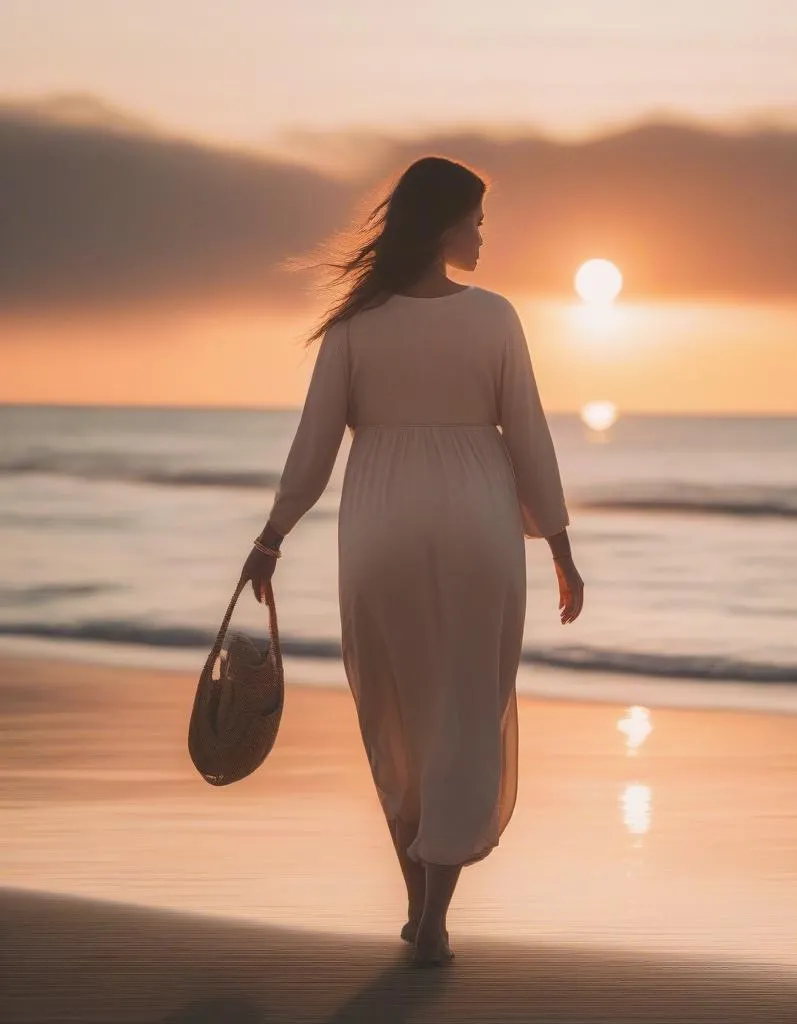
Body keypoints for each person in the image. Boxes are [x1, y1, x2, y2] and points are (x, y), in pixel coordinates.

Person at [242, 155, 585, 968]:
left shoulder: (353, 326)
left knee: (393, 713)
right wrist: (563, 546)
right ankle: (432, 919)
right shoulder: (496, 319)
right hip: (476, 525)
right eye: (474, 219)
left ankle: (414, 905)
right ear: (442, 226)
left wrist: (273, 535)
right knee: (466, 713)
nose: (481, 233)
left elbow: (314, 449)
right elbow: (529, 438)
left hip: (381, 525)